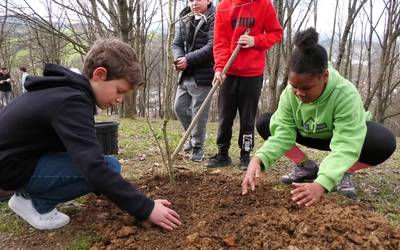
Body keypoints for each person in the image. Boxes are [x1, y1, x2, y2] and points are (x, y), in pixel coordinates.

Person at [0, 38, 181, 231]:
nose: (119, 99)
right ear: (99, 74)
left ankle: (35, 193)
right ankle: (34, 203)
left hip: (18, 159)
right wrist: (146, 208)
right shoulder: (72, 102)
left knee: (106, 164)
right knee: (108, 166)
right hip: (9, 167)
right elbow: (93, 167)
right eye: (119, 90)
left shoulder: (65, 91)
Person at [242, 28, 396, 206]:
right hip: (307, 133)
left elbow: (346, 143)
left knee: (384, 141)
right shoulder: (289, 94)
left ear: (324, 76)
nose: (299, 93)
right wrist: (258, 159)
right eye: (294, 86)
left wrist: (322, 183)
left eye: (306, 88)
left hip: (337, 136)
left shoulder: (345, 94)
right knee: (266, 122)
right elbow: (282, 133)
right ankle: (306, 166)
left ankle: (344, 170)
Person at [206, 0, 283, 169]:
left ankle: (245, 154)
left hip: (252, 72)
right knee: (225, 116)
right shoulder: (224, 5)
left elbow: (276, 33)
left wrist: (255, 40)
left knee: (248, 117)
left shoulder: (264, 4)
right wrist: (219, 68)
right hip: (228, 72)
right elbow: (220, 41)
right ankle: (222, 153)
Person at [171, 0, 215, 162]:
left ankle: (197, 147)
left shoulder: (214, 18)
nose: (194, 3)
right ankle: (193, 137)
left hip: (204, 74)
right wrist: (179, 58)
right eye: (191, 0)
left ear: (208, 0)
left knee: (199, 112)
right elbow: (176, 44)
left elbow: (212, 47)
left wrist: (188, 59)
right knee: (179, 107)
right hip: (185, 73)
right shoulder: (184, 17)